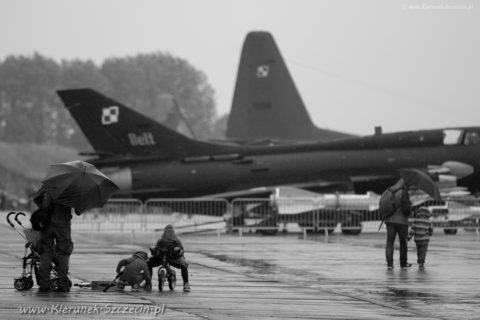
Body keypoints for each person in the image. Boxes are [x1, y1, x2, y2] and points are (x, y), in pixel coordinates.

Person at [35, 188, 75, 292]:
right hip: (63, 225)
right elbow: (79, 210)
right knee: (64, 252)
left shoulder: (50, 185)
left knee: (45, 252)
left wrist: (44, 207)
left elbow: (36, 198)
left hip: (47, 223)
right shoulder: (72, 189)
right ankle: (62, 284)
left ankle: (44, 284)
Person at [148, 224, 190, 292]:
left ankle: (148, 283)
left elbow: (181, 250)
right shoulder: (170, 240)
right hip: (167, 258)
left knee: (148, 263)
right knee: (184, 265)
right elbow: (181, 251)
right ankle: (186, 283)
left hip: (167, 258)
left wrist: (178, 251)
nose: (168, 234)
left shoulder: (164, 240)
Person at [384, 179, 412, 270]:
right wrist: (410, 209)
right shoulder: (403, 193)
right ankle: (403, 264)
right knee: (403, 243)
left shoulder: (390, 190)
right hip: (402, 222)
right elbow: (406, 209)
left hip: (389, 220)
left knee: (389, 243)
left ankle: (390, 265)